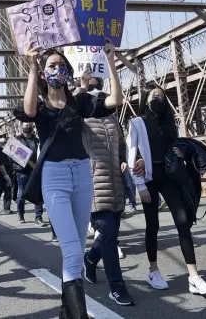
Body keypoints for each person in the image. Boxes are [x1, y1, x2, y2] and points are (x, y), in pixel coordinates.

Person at [14, 43, 120, 319]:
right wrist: (32, 67)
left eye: (61, 65)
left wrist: (111, 61)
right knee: (72, 249)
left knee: (76, 248)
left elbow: (114, 102)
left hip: (83, 174)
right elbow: (28, 110)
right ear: (44, 70)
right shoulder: (40, 105)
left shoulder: (79, 101)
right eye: (52, 65)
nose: (57, 69)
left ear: (68, 70)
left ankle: (65, 311)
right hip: (55, 177)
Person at [127, 82, 206, 295]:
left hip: (168, 177)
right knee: (153, 225)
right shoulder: (137, 123)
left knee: (183, 221)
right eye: (155, 96)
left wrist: (183, 152)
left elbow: (174, 147)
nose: (159, 100)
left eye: (162, 97)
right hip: (148, 179)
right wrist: (140, 186)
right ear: (146, 99)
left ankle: (193, 276)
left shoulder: (169, 122)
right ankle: (153, 270)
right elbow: (130, 155)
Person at [79, 74, 139, 306]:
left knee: (109, 233)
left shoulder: (113, 118)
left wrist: (124, 159)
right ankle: (117, 287)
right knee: (108, 234)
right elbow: (70, 111)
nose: (99, 97)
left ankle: (91, 259)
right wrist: (81, 90)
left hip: (115, 183)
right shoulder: (82, 119)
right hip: (93, 183)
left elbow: (122, 145)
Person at [14, 122, 46, 227]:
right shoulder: (17, 140)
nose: (28, 126)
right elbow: (12, 156)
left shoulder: (37, 140)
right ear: (21, 126)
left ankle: (38, 217)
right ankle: (20, 213)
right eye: (25, 124)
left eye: (30, 125)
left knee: (37, 192)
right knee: (22, 192)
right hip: (22, 170)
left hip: (35, 169)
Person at [0, 133, 14, 215]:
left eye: (4, 136)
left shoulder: (9, 147)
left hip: (8, 172)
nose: (3, 138)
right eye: (1, 137)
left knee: (8, 191)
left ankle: (6, 208)